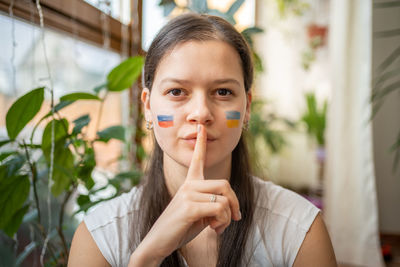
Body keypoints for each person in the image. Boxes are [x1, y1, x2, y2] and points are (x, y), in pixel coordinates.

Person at [68, 13, 337, 267]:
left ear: (247, 108)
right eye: (176, 91)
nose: (201, 113)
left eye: (222, 91)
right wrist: (147, 257)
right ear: (148, 107)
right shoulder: (98, 238)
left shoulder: (300, 228)